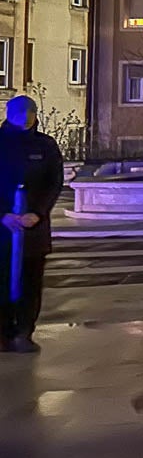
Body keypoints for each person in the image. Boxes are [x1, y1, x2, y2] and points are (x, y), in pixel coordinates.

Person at [0, 96, 63, 354]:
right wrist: (3, 214)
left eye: (29, 113)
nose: (24, 118)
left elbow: (53, 182)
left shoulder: (45, 146)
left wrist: (38, 212)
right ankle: (3, 332)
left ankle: (24, 331)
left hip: (33, 229)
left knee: (30, 282)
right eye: (19, 113)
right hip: (3, 228)